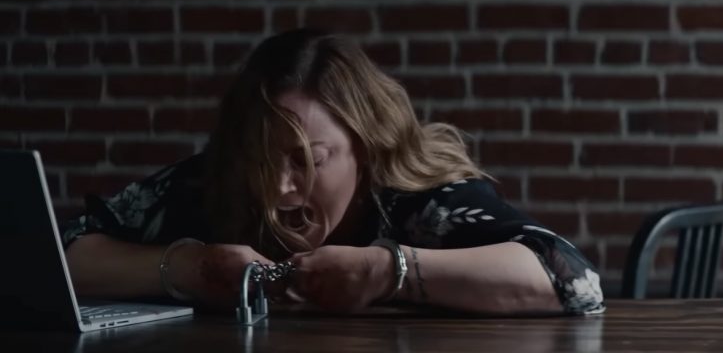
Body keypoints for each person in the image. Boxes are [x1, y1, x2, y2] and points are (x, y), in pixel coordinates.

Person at [60, 28, 604, 316]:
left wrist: (387, 271)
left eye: (308, 160)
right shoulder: (213, 180)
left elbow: (571, 279)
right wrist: (190, 269)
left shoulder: (418, 197)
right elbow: (60, 257)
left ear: (365, 148)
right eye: (261, 158)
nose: (279, 187)